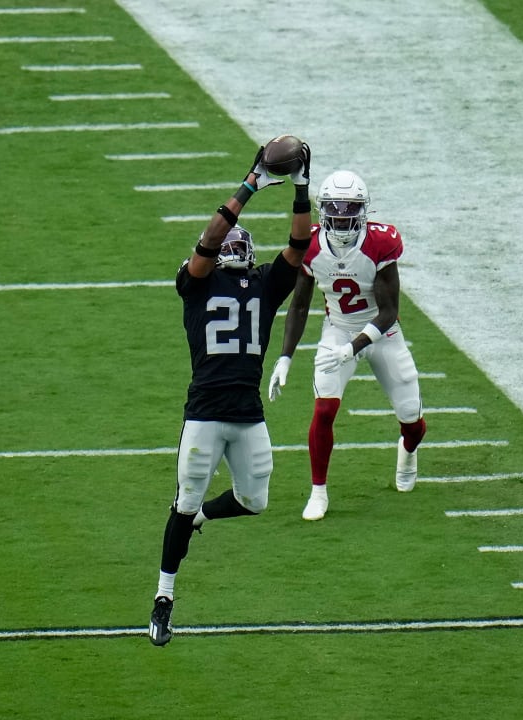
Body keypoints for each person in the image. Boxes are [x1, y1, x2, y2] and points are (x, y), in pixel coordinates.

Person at [150, 140, 312, 646]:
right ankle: (163, 598)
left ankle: (201, 518)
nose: (233, 248)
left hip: (247, 413)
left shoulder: (264, 285)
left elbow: (300, 243)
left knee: (254, 500)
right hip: (203, 412)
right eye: (229, 245)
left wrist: (303, 183)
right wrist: (250, 184)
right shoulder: (196, 283)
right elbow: (209, 237)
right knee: (182, 502)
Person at [267, 170, 426, 521]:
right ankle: (318, 492)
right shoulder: (310, 245)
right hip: (337, 329)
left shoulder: (379, 244)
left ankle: (408, 450)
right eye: (334, 209)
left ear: (362, 211)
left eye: (348, 209)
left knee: (412, 419)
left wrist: (353, 348)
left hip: (381, 332)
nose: (340, 216)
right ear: (322, 211)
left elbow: (389, 313)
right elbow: (298, 304)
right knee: (324, 409)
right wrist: (285, 357)